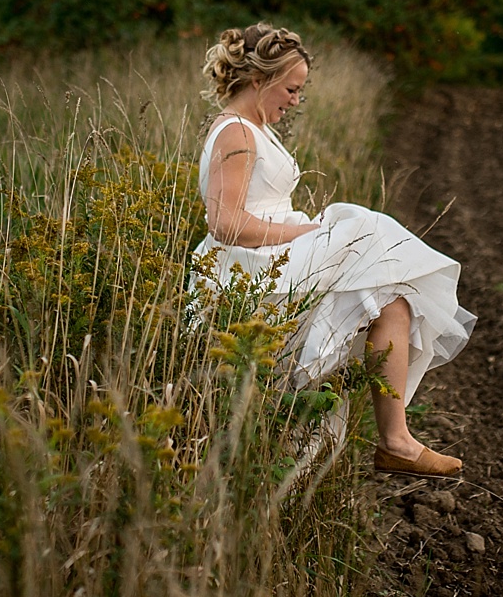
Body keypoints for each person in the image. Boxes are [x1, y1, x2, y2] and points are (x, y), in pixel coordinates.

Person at [193, 24, 475, 477]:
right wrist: (303, 235)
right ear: (259, 79)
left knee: (391, 297)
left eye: (299, 90)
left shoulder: (252, 129)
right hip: (246, 270)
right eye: (290, 88)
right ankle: (395, 442)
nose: (295, 100)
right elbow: (224, 224)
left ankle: (391, 440)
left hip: (267, 254)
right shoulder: (237, 134)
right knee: (376, 261)